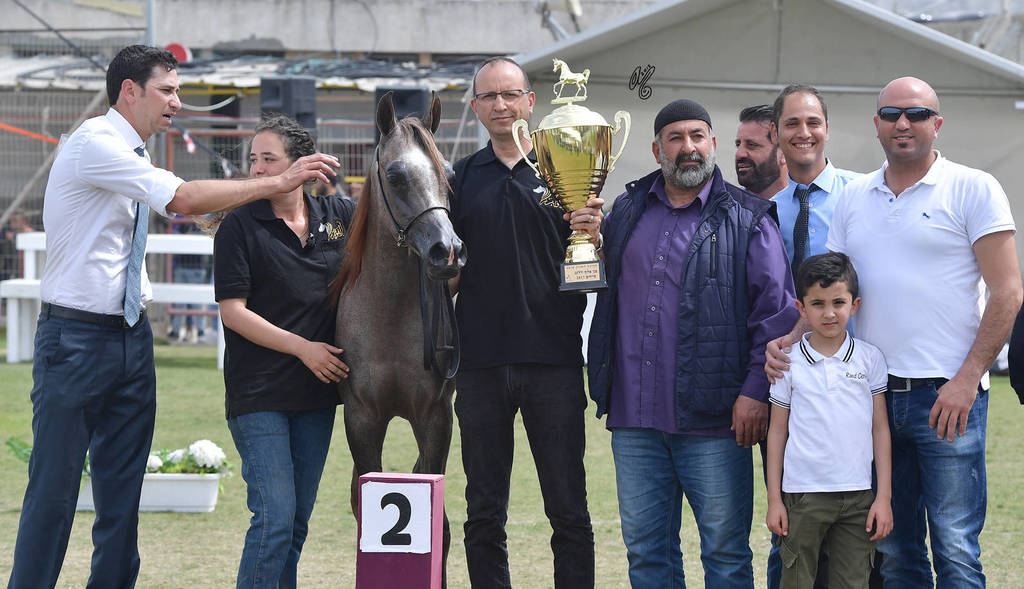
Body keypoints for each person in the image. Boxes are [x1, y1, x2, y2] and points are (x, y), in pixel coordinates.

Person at [7, 45, 339, 589]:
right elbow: (184, 200)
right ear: (130, 91)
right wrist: (277, 182)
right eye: (168, 91)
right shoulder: (95, 142)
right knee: (54, 490)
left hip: (131, 340)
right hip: (75, 339)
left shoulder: (134, 156)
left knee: (123, 492)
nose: (178, 103)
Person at [767, 76, 1022, 587]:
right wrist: (792, 341)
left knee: (954, 548)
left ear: (938, 124)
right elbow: (832, 289)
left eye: (917, 113)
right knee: (897, 551)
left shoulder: (973, 187)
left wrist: (968, 378)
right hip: (873, 398)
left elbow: (1008, 292)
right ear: (876, 125)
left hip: (946, 397)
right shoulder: (855, 197)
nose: (903, 123)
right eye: (891, 114)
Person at [587, 98, 798, 587]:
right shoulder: (626, 209)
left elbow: (776, 315)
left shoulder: (749, 218)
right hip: (635, 418)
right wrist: (589, 241)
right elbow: (603, 287)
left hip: (716, 419)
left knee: (724, 554)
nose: (688, 148)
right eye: (676, 138)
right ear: (657, 148)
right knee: (646, 553)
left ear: (713, 145)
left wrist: (753, 392)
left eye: (697, 136)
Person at [450, 56, 603, 589]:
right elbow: (444, 272)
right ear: (475, 108)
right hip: (479, 365)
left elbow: (587, 268)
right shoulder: (459, 180)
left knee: (568, 510)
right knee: (484, 513)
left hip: (554, 362)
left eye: (510, 94)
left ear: (530, 102)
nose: (501, 105)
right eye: (489, 97)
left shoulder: (567, 166)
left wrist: (593, 236)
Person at [214, 114, 353, 588]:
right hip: (259, 395)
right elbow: (233, 312)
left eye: (268, 159)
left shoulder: (340, 217)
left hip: (316, 395)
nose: (256, 170)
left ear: (302, 165)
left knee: (294, 526)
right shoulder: (240, 225)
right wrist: (304, 349)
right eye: (253, 160)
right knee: (273, 520)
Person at [765, 252, 893, 588]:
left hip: (858, 497)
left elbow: (880, 430)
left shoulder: (870, 359)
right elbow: (776, 432)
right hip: (802, 497)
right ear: (802, 309)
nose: (829, 312)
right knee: (796, 580)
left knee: (853, 582)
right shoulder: (787, 363)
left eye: (838, 302)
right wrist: (775, 500)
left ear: (855, 304)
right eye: (818, 304)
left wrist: (883, 498)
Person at [770, 85, 859, 271]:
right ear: (774, 133)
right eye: (792, 124)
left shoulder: (861, 192)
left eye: (813, 123)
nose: (804, 133)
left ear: (826, 129)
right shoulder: (770, 212)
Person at [735, 104, 788, 199]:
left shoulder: (808, 208)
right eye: (738, 145)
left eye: (751, 145)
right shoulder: (722, 209)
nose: (739, 154)